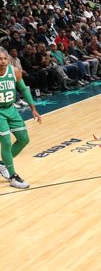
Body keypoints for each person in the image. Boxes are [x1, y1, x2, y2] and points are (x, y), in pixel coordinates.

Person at [0, 49, 42, 189]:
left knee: (24, 139)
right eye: (0, 59)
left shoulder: (15, 71)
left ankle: (2, 164)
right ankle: (13, 176)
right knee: (6, 141)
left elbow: (23, 89)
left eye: (5, 58)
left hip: (11, 109)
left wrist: (33, 109)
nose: (3, 61)